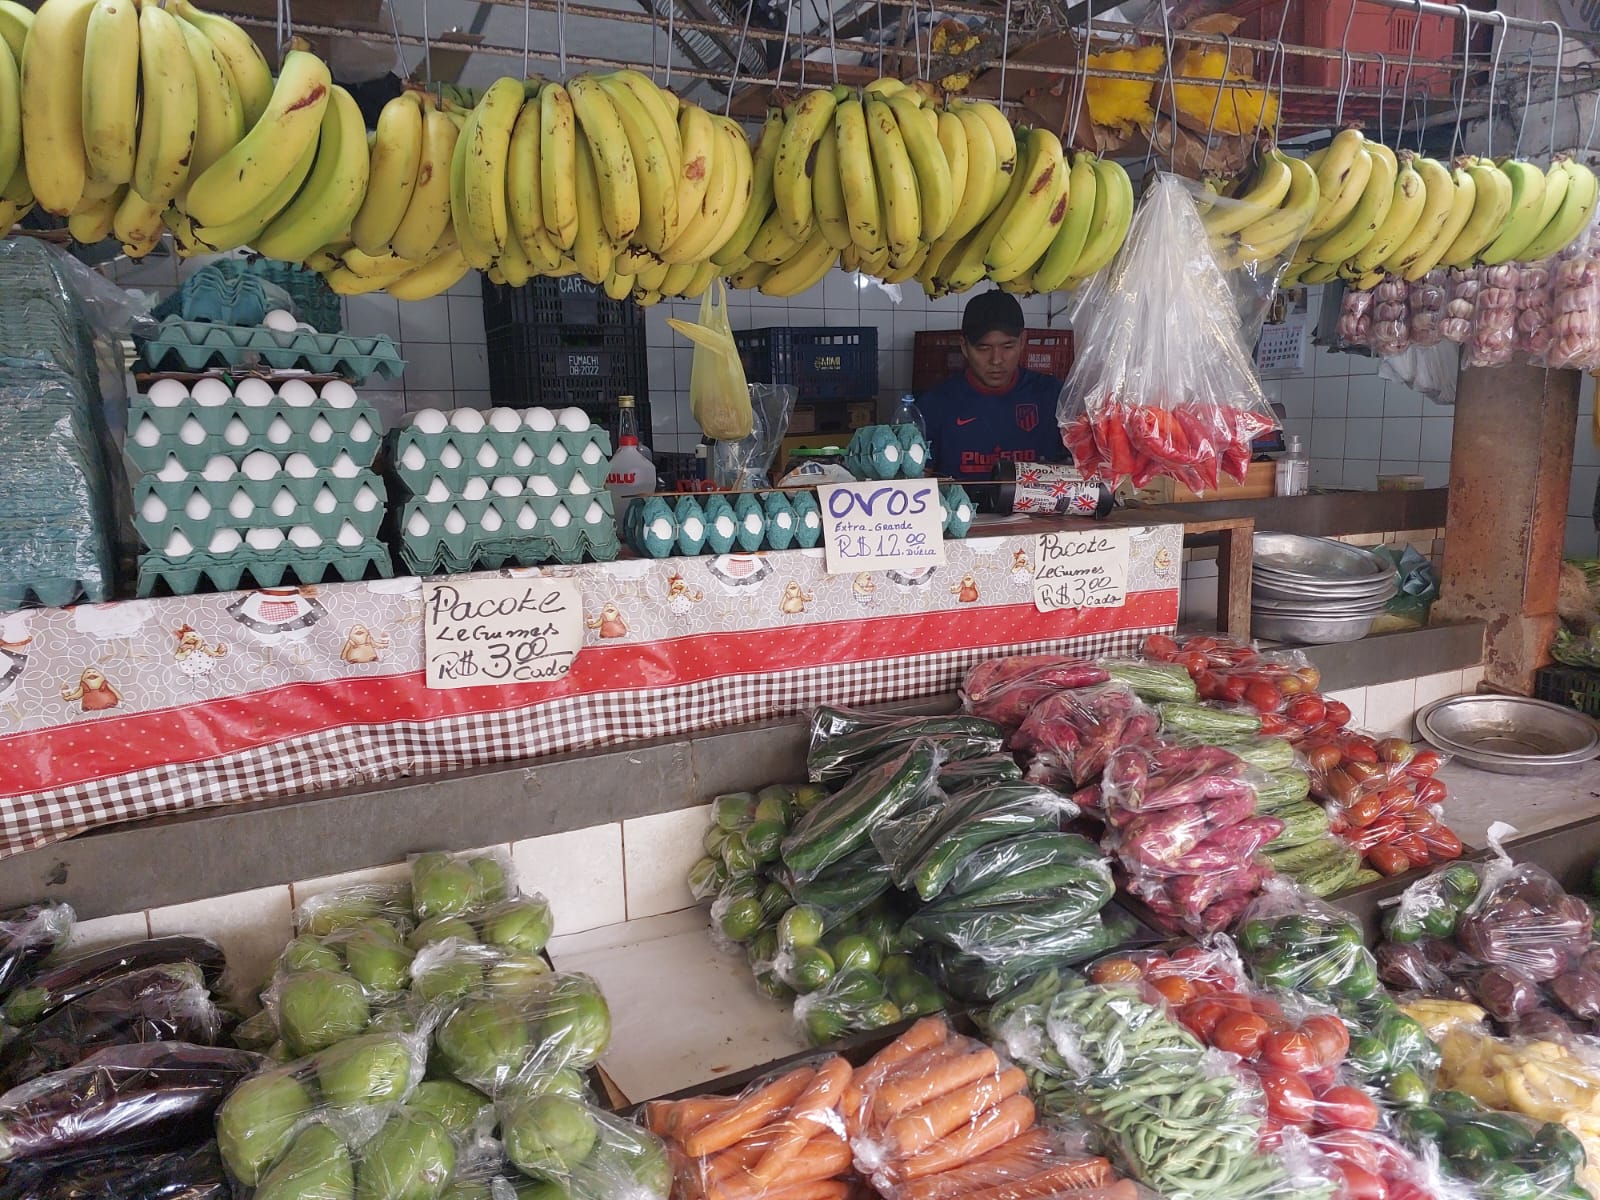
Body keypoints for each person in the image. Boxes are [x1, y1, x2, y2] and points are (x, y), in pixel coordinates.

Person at [917, 290, 1069, 481]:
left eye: (1007, 347)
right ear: (964, 346)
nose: (996, 360)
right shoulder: (934, 405)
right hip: (961, 509)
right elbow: (917, 483)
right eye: (984, 348)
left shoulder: (1054, 396)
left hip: (1039, 509)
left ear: (1023, 342)